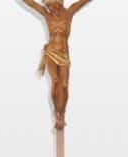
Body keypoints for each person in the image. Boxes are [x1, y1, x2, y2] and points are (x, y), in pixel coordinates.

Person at [19, 0, 94, 129]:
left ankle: (62, 112)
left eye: (51, 5)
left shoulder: (69, 12)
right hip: (51, 53)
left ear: (58, 3)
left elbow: (82, 2)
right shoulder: (47, 14)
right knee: (55, 81)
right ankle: (57, 114)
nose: (49, 7)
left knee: (64, 84)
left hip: (64, 54)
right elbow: (31, 4)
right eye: (48, 5)